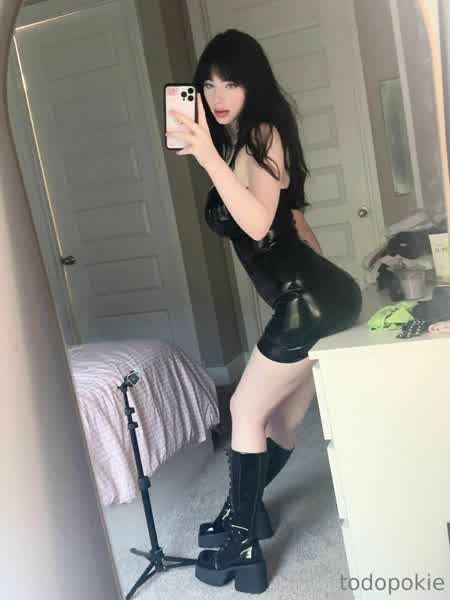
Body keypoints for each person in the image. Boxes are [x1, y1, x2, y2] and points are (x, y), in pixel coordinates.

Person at [166, 29, 362, 594]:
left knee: (245, 412)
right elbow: (292, 221)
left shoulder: (261, 134)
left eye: (231, 82)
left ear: (252, 84)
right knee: (279, 423)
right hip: (316, 297)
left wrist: (207, 158)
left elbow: (255, 225)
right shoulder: (245, 142)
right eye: (208, 84)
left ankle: (242, 543)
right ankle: (244, 513)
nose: (218, 95)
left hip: (307, 301)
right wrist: (339, 296)